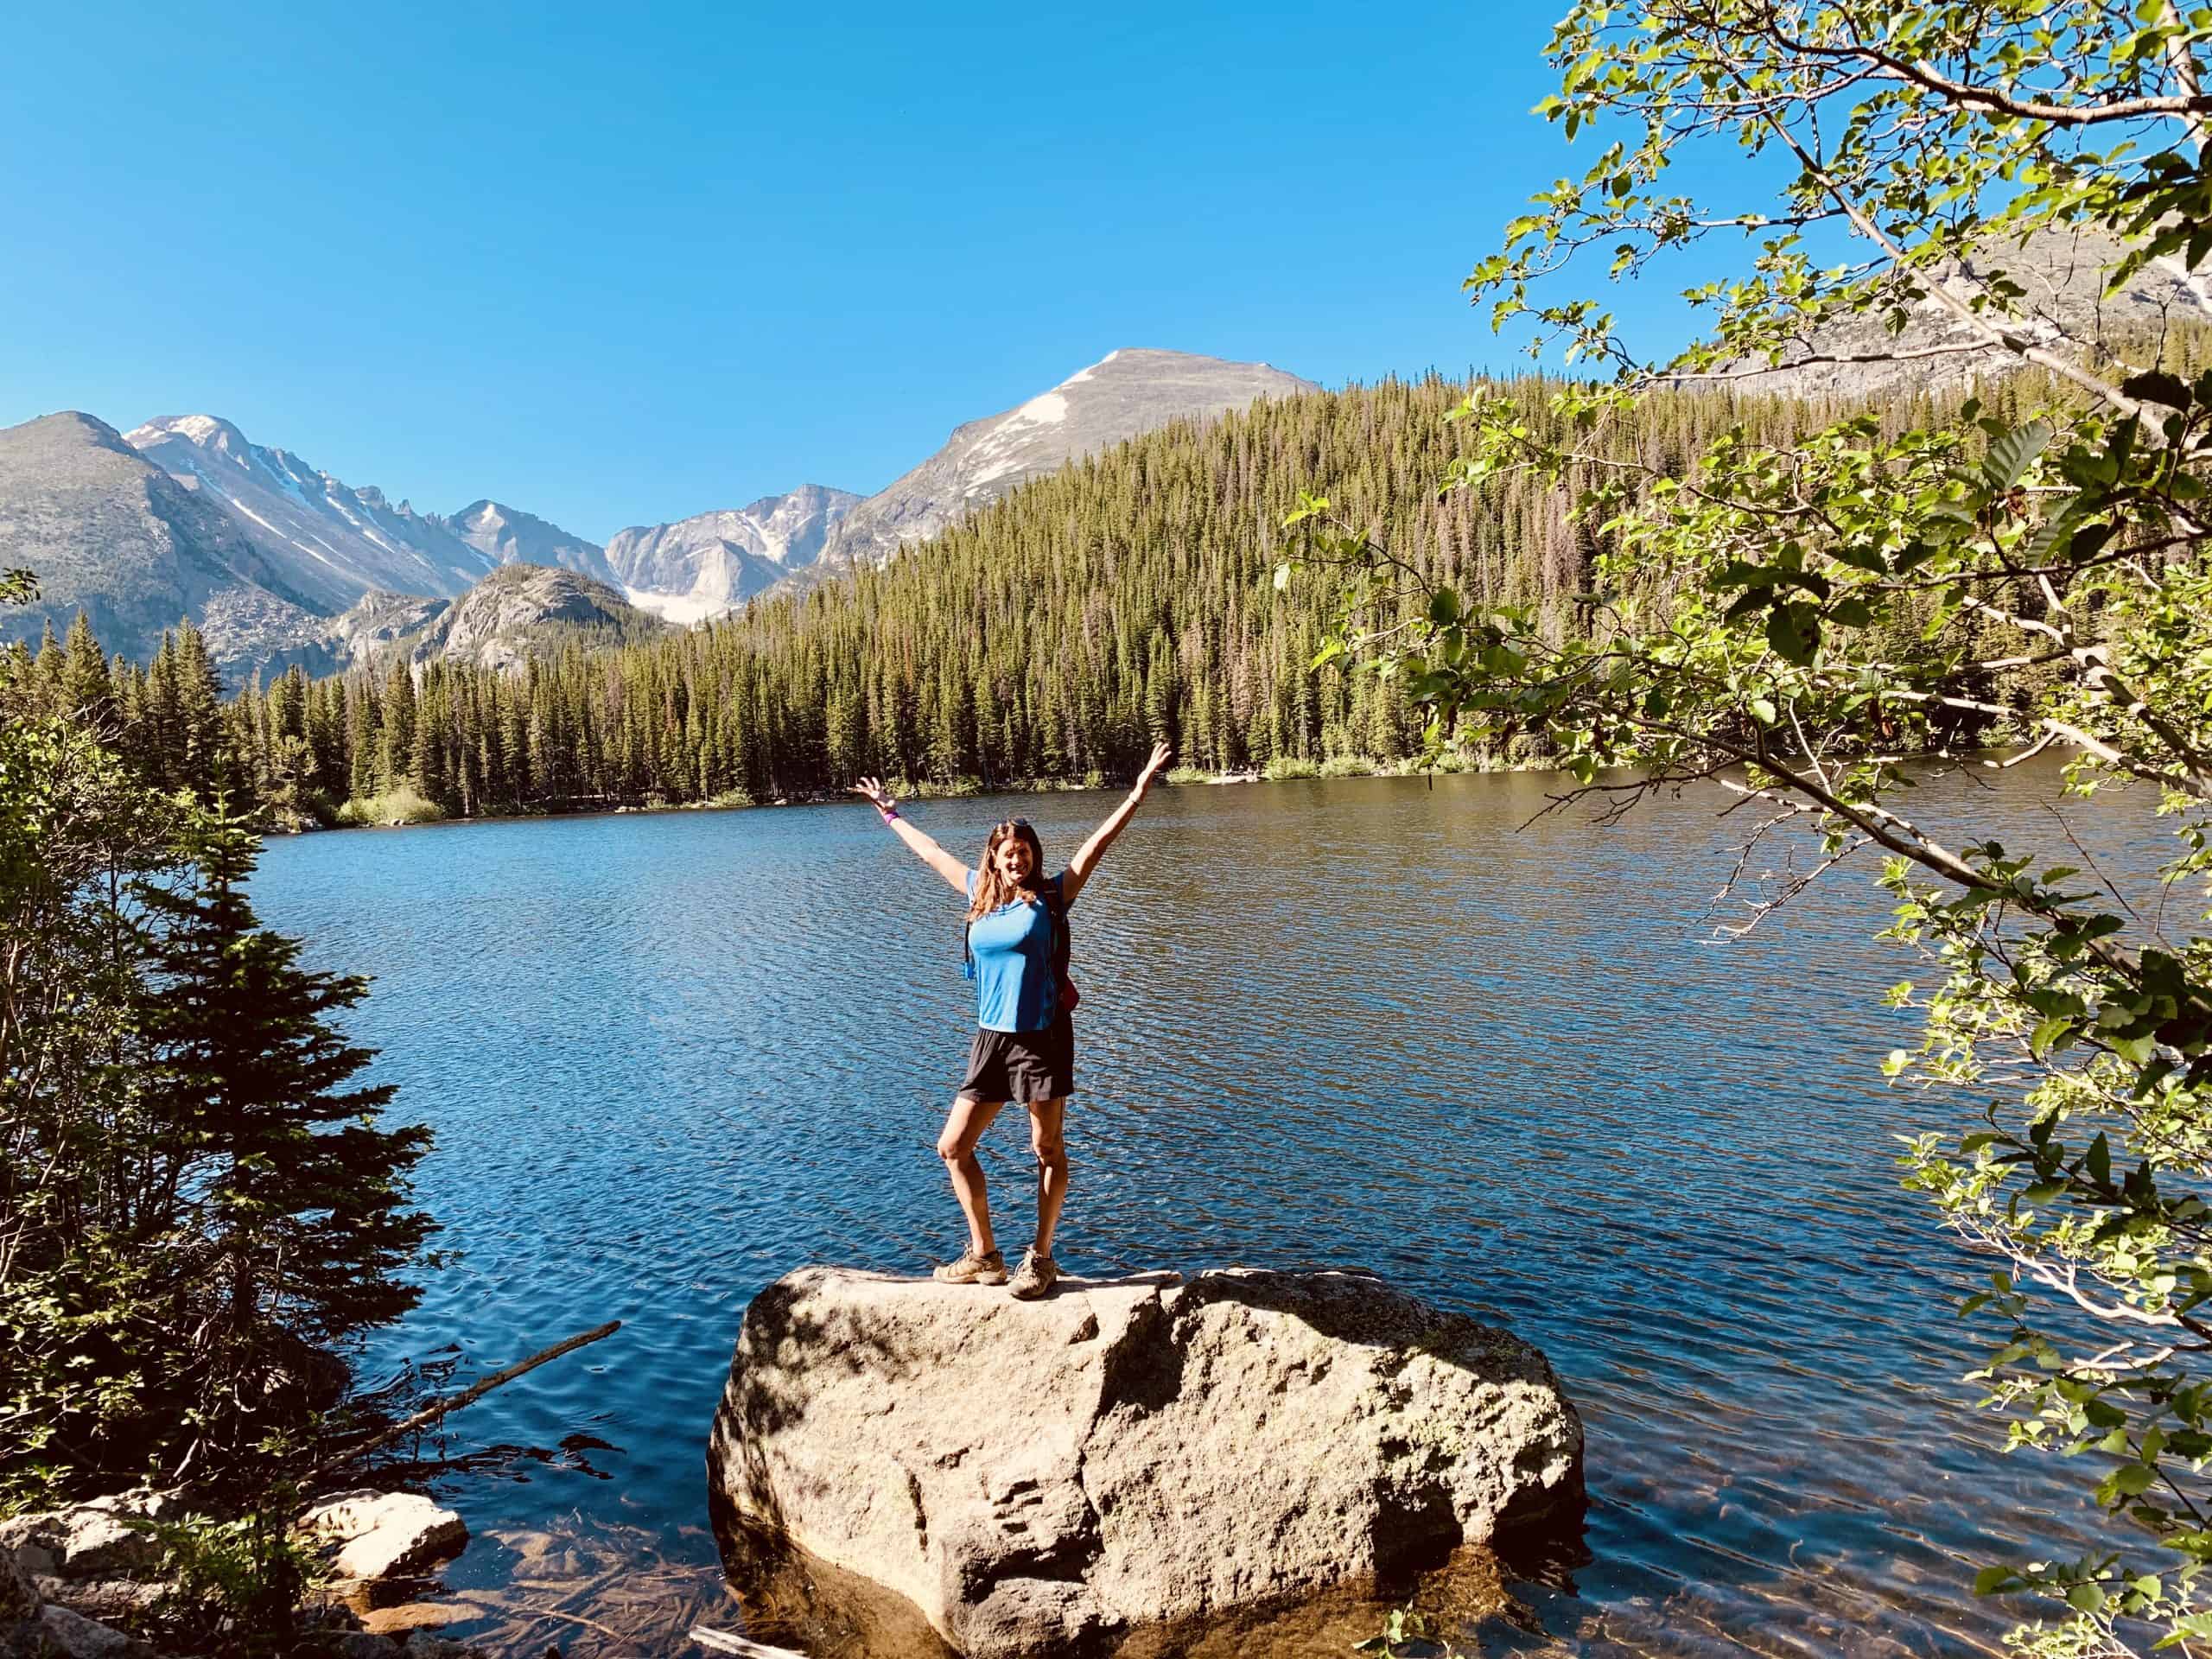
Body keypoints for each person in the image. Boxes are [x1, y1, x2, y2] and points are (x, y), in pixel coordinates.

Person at [851, 742, 1173, 1300]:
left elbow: (1099, 843)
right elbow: (929, 852)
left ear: (1033, 855)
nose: (1015, 859)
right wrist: (889, 811)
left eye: (1023, 850)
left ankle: (1042, 1258)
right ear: (994, 859)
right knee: (953, 1148)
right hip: (992, 1040)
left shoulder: (1053, 895)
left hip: (1043, 1038)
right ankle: (985, 1256)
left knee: (1047, 1149)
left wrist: (1139, 789)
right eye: (1007, 853)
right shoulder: (978, 893)